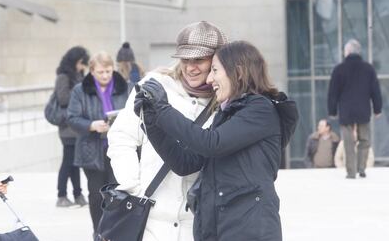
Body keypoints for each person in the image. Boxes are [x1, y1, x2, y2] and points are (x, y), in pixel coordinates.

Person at [134, 40, 283, 241]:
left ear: (238, 72)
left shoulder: (260, 110)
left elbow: (211, 144)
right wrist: (152, 122)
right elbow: (185, 162)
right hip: (218, 227)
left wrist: (163, 110)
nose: (210, 79)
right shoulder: (227, 116)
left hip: (250, 229)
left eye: (214, 70)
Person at [107, 21, 227, 241]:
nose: (190, 67)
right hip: (150, 222)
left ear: (218, 59)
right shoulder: (155, 86)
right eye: (185, 59)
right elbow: (121, 137)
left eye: (199, 59)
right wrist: (133, 188)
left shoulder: (226, 101)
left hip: (199, 225)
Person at [67, 51, 129, 234]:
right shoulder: (80, 90)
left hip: (118, 149)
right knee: (95, 195)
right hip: (92, 150)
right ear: (92, 71)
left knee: (118, 194)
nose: (105, 76)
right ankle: (99, 232)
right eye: (101, 72)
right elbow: (71, 118)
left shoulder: (124, 86)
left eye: (108, 71)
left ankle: (115, 233)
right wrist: (91, 125)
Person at [328, 39, 382, 179]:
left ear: (347, 52)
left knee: (348, 142)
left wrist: (332, 111)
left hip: (346, 111)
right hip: (363, 110)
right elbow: (375, 90)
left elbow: (333, 92)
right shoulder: (368, 69)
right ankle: (361, 168)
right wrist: (377, 109)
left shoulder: (339, 69)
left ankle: (351, 172)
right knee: (364, 140)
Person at [54, 46, 89, 208]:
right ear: (76, 61)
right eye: (82, 63)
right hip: (67, 127)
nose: (83, 67)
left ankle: (77, 194)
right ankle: (61, 195)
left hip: (77, 126)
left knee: (75, 162)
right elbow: (62, 99)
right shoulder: (63, 77)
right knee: (68, 161)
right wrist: (79, 93)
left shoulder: (78, 75)